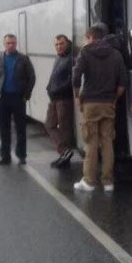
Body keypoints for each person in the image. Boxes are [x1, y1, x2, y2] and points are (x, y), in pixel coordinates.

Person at [71, 23, 127, 192]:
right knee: (108, 142)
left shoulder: (85, 52)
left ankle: (89, 181)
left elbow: (76, 75)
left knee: (91, 143)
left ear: (90, 37)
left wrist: (76, 95)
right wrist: (113, 98)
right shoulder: (116, 54)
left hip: (90, 103)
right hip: (108, 103)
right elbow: (123, 83)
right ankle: (108, 182)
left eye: (86, 38)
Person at [0, 33, 36, 165]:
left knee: (20, 128)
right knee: (4, 128)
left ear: (16, 44)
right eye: (8, 43)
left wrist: (26, 95)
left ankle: (21, 155)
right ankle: (5, 156)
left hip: (18, 98)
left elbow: (32, 77)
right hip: (2, 98)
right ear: (4, 44)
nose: (11, 45)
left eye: (13, 43)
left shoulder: (23, 59)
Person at [45, 34, 75, 168]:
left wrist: (56, 89)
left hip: (64, 98)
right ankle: (64, 151)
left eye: (61, 44)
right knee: (49, 124)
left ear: (67, 43)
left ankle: (65, 156)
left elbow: (72, 81)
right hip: (54, 98)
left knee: (64, 128)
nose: (58, 47)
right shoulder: (59, 57)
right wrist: (49, 87)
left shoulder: (71, 59)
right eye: (56, 45)